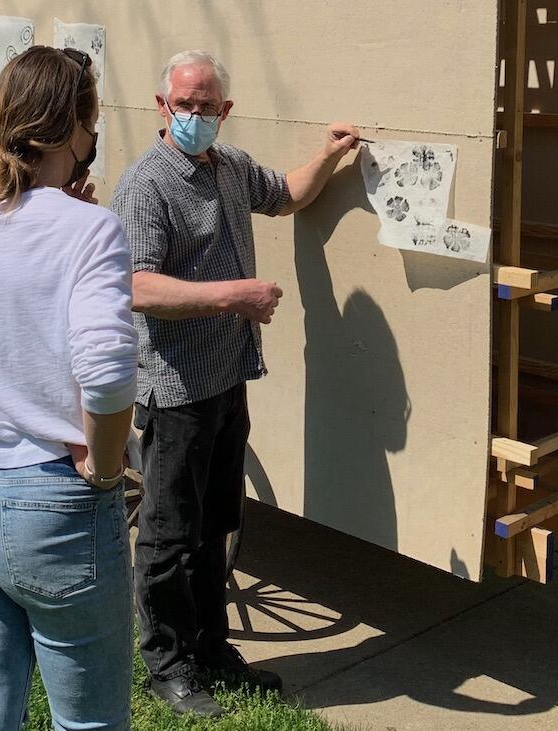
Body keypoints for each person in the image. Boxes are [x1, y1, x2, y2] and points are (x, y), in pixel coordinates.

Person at [111, 49, 359, 717]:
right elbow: (136, 285)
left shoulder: (230, 168)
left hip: (225, 382)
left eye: (208, 105)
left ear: (224, 111)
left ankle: (211, 647)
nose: (196, 115)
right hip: (177, 387)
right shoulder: (147, 186)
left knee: (215, 523)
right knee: (167, 533)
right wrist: (233, 296)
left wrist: (332, 155)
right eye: (184, 103)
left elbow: (287, 193)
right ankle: (166, 663)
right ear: (161, 107)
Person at [0, 46, 138, 730]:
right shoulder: (91, 229)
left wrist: (57, 209)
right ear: (73, 128)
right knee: (90, 721)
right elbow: (105, 372)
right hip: (53, 504)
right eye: (92, 121)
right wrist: (105, 468)